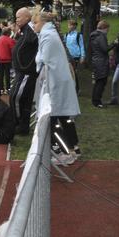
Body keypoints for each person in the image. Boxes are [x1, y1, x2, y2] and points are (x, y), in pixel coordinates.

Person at [33, 12, 81, 165]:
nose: (34, 26)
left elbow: (42, 58)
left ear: (42, 23)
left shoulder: (47, 36)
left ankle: (66, 152)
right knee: (64, 117)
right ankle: (74, 148)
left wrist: (38, 59)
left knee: (53, 120)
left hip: (55, 83)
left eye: (35, 23)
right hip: (58, 81)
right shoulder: (50, 34)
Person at [10, 7, 39, 135]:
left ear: (27, 17)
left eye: (18, 17)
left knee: (15, 97)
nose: (16, 19)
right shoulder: (24, 30)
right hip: (21, 72)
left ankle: (19, 124)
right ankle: (22, 126)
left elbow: (36, 39)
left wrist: (26, 67)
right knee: (23, 99)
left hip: (26, 72)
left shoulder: (31, 29)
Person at [89, 20, 112, 108]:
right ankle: (97, 101)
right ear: (104, 28)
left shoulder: (93, 35)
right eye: (107, 28)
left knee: (98, 81)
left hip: (96, 60)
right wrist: (114, 43)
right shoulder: (101, 36)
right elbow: (105, 49)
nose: (108, 31)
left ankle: (95, 100)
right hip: (101, 62)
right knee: (101, 82)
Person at [63, 20, 85, 94]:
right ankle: (71, 88)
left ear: (75, 26)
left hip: (75, 57)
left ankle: (77, 89)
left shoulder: (78, 35)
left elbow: (82, 46)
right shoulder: (66, 35)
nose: (70, 26)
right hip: (68, 57)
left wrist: (82, 56)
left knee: (74, 73)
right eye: (69, 25)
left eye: (72, 25)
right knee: (69, 73)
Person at [0, 23, 15, 94]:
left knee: (1, 75)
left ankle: (1, 89)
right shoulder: (9, 40)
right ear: (8, 33)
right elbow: (13, 49)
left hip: (0, 59)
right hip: (7, 59)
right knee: (7, 75)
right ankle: (7, 89)